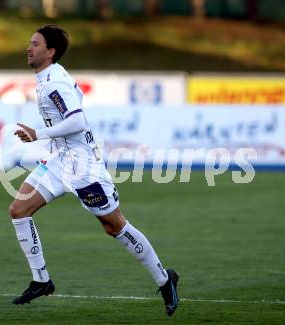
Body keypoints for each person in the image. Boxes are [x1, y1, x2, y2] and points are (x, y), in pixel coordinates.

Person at [9, 25, 180, 316]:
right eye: (30, 42)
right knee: (18, 209)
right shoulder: (53, 77)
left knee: (114, 226)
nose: (29, 47)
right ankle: (42, 281)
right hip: (59, 159)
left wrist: (38, 133)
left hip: (83, 168)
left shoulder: (54, 83)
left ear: (50, 52)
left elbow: (77, 120)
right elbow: (75, 100)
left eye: (35, 44)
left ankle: (166, 280)